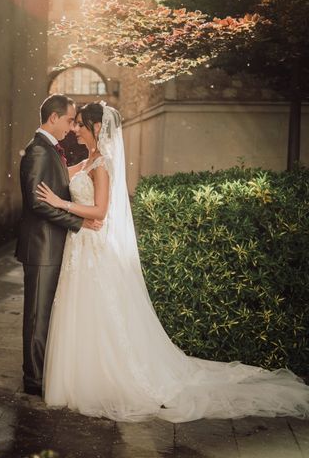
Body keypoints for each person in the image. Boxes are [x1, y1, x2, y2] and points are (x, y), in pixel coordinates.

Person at [36, 101, 309, 422]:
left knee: (99, 310)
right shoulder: (88, 160)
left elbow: (100, 212)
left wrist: (60, 203)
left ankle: (107, 378)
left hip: (92, 246)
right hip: (79, 245)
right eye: (75, 123)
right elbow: (61, 174)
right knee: (79, 310)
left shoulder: (103, 165)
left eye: (81, 124)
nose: (76, 129)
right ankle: (80, 375)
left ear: (96, 128)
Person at [16, 94, 102, 396]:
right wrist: (78, 223)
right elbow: (39, 203)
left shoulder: (48, 149)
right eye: (68, 120)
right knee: (38, 314)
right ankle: (34, 380)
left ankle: (41, 372)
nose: (70, 127)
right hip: (41, 246)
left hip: (51, 245)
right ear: (53, 118)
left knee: (45, 313)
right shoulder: (39, 151)